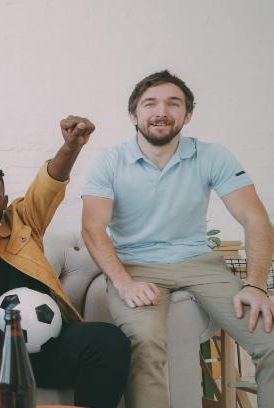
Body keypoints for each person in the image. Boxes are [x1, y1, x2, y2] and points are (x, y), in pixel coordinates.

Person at [81, 70, 274, 408]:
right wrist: (124, 283)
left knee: (270, 339)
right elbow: (93, 228)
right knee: (144, 342)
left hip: (200, 263)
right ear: (133, 114)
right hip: (136, 265)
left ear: (187, 115)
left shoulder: (212, 156)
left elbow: (254, 216)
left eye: (174, 103)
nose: (161, 111)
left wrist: (256, 285)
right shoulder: (109, 162)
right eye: (150, 103)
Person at [0, 116, 131, 408]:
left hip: (49, 350)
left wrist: (71, 147)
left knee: (108, 339)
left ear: (4, 201)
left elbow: (48, 187)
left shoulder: (23, 220)